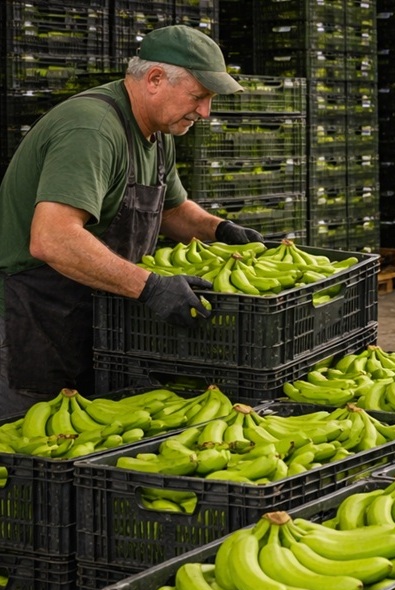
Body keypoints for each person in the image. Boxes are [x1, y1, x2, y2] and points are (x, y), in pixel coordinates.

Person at [0, 25, 265, 414]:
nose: (205, 112)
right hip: (35, 321)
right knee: (32, 450)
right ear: (155, 79)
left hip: (95, 317)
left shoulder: (157, 132)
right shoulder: (92, 129)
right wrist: (151, 288)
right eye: (199, 96)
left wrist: (219, 229)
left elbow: (173, 209)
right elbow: (52, 238)